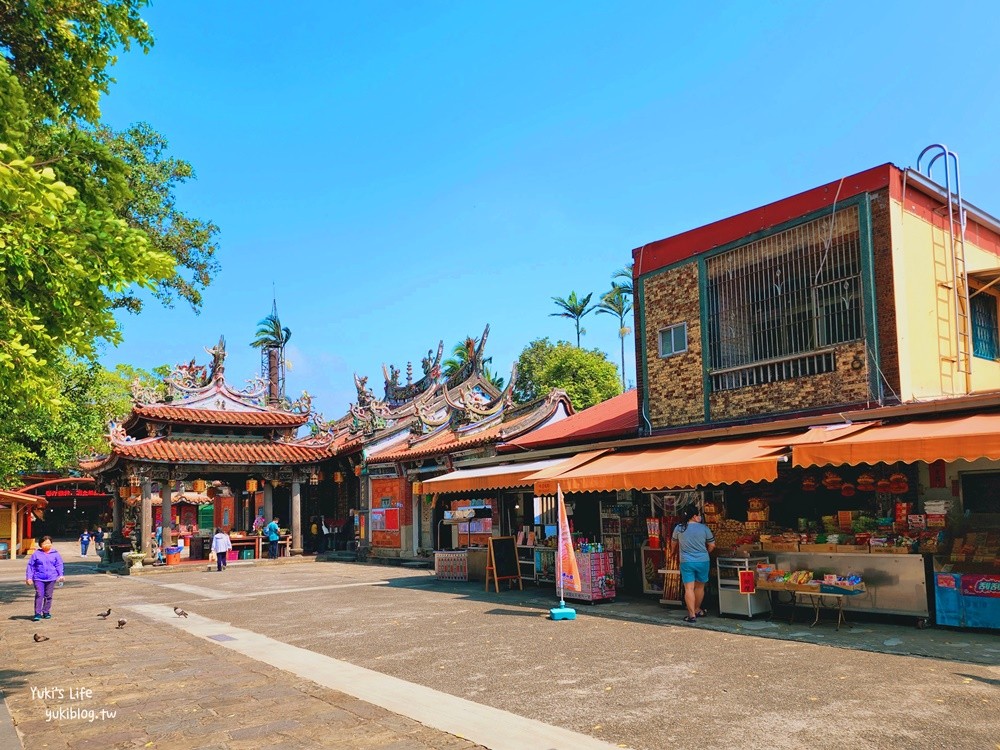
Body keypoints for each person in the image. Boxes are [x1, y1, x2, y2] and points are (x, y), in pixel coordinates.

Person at [670, 505, 716, 624]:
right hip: (703, 561)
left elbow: (673, 544)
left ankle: (691, 615)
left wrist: (673, 554)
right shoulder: (704, 528)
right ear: (695, 516)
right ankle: (697, 609)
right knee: (700, 587)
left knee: (689, 588)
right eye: (699, 515)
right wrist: (706, 552)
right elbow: (712, 545)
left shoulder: (679, 528)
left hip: (687, 562)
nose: (700, 517)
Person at [25, 536, 65, 621]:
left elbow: (59, 565)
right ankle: (37, 613)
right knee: (39, 594)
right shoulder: (36, 554)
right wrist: (29, 577)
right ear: (40, 544)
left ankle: (46, 611)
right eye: (45, 543)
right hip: (38, 578)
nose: (47, 545)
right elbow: (30, 566)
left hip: (51, 578)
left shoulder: (55, 554)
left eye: (49, 543)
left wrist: (60, 575)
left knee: (49, 595)